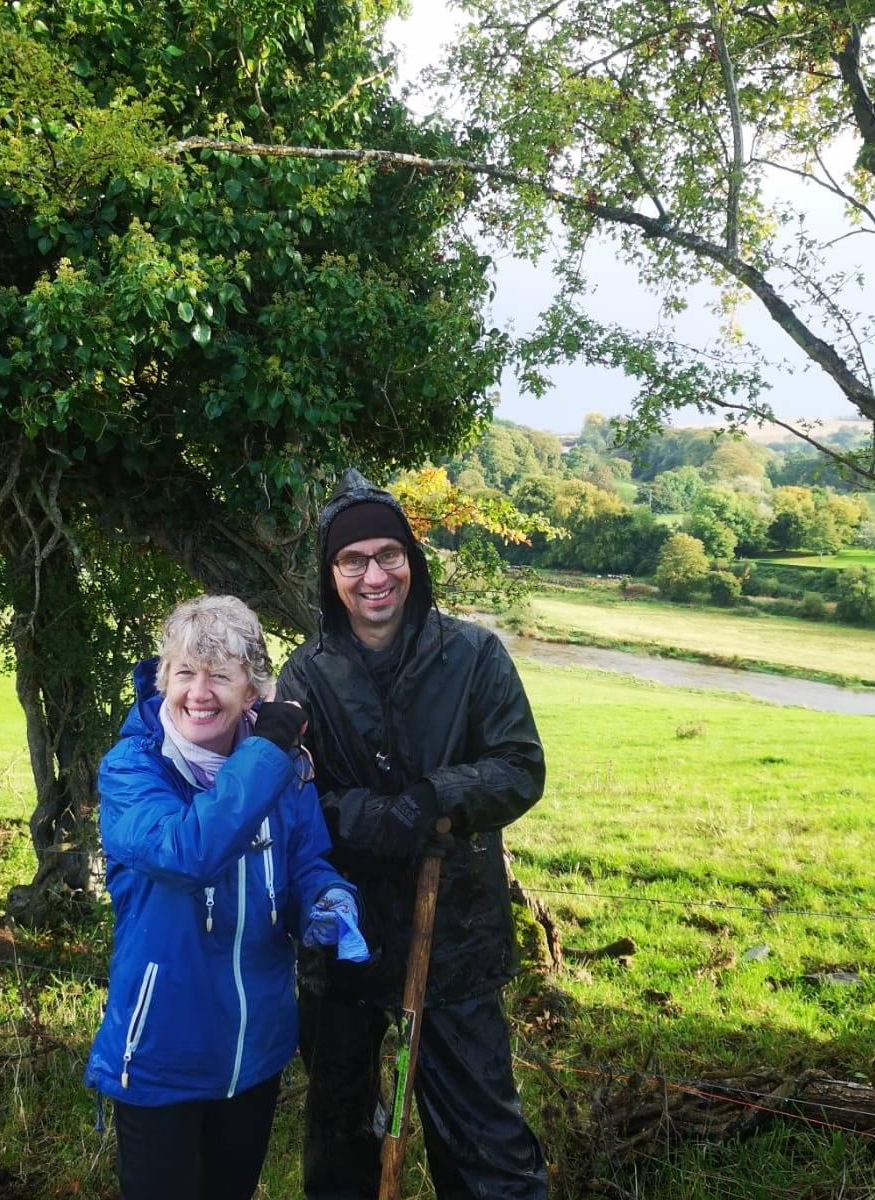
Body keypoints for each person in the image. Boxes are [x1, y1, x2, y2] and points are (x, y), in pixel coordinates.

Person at [279, 469, 549, 1199]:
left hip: (453, 928)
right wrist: (368, 815)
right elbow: (291, 793)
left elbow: (521, 765)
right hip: (343, 934)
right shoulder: (306, 672)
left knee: (482, 1135)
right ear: (332, 575)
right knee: (340, 1136)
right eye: (353, 560)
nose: (375, 575)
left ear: (412, 561)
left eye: (388, 554)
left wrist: (437, 796)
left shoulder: (474, 655)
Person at [85, 594, 368, 1200]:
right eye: (184, 673)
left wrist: (329, 900)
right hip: (162, 1053)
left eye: (220, 675)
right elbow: (189, 852)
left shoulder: (282, 769)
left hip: (255, 1053)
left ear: (253, 691)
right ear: (164, 682)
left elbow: (305, 864)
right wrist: (267, 751)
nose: (199, 692)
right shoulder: (132, 771)